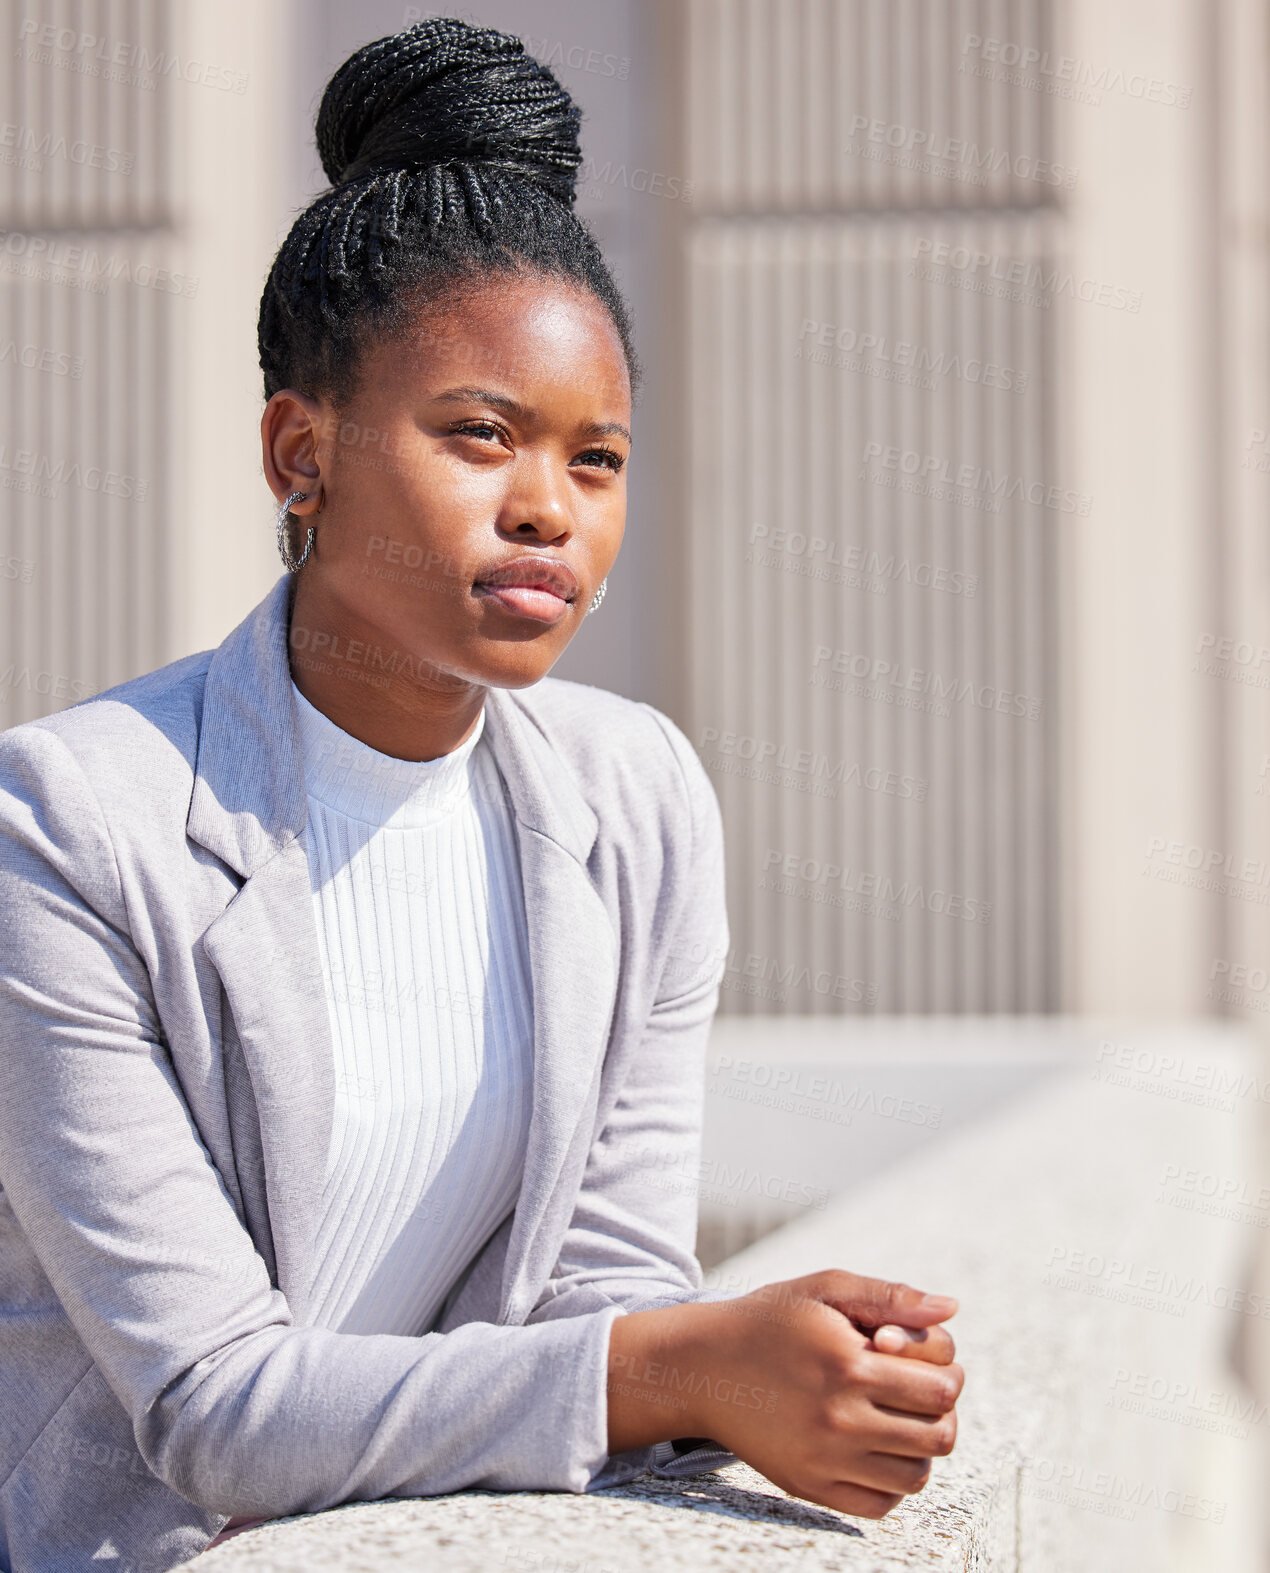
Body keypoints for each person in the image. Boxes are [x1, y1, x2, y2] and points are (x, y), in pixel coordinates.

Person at [0, 18, 963, 1571]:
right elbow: (209, 1402)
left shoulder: (630, 795)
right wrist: (686, 1367)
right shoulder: (69, 822)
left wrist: (792, 1359)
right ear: (298, 451)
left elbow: (601, 1291)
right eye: (479, 434)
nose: (546, 510)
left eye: (597, 460)